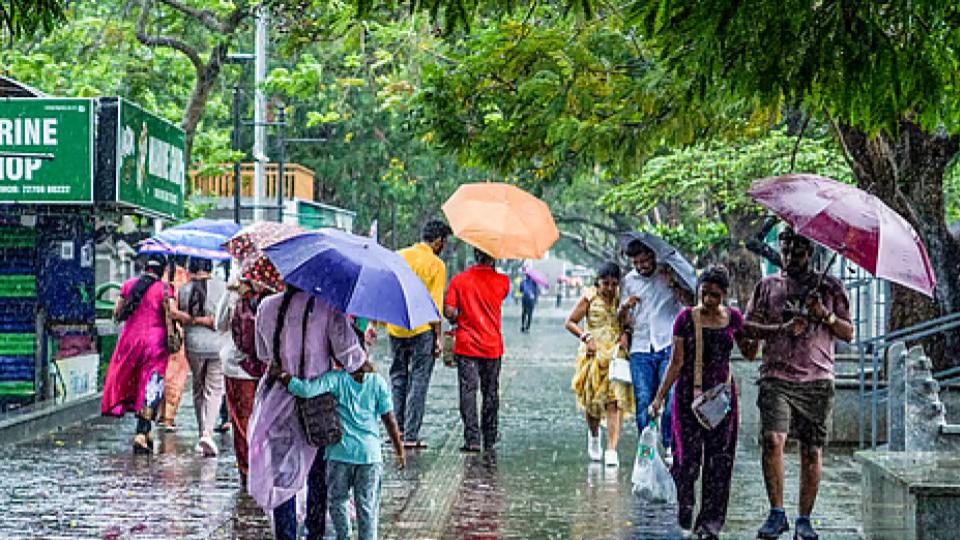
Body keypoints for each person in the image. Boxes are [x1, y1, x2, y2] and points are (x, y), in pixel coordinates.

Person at [648, 266, 802, 539]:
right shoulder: (685, 319)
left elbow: (749, 350)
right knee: (686, 461)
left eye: (715, 296)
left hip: (722, 400)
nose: (708, 300)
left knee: (720, 464)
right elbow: (676, 362)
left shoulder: (733, 319)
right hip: (688, 399)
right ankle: (685, 508)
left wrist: (765, 329)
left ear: (725, 295)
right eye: (704, 293)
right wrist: (659, 398)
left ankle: (710, 523)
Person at [744, 229, 853, 540]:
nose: (791, 257)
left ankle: (804, 518)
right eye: (787, 250)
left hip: (817, 379)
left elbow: (848, 332)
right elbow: (748, 326)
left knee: (811, 451)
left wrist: (825, 316)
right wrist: (782, 327)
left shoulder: (831, 287)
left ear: (811, 253)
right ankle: (776, 513)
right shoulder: (768, 286)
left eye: (798, 252)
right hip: (776, 376)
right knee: (773, 440)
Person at [248, 284, 366, 540]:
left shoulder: (266, 307)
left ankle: (286, 535)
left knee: (282, 477)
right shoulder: (327, 309)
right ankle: (315, 534)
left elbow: (263, 354)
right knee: (318, 478)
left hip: (276, 405)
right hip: (317, 406)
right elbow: (352, 359)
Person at [270, 357, 405, 540]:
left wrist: (282, 375)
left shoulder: (336, 379)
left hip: (340, 454)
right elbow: (389, 419)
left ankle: (344, 536)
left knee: (338, 501)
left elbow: (305, 390)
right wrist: (399, 450)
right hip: (370, 456)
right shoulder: (377, 381)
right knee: (367, 506)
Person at [102, 255, 184, 453]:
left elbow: (117, 313)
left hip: (129, 342)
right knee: (152, 383)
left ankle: (145, 433)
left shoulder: (129, 285)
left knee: (132, 380)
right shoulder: (165, 289)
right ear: (163, 270)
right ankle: (142, 430)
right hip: (155, 343)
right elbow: (172, 315)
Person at [619, 239, 692, 461]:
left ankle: (669, 443)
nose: (641, 265)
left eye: (645, 260)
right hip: (640, 347)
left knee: (671, 398)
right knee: (643, 399)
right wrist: (625, 307)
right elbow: (621, 320)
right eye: (636, 262)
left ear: (654, 257)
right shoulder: (629, 281)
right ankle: (646, 449)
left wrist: (674, 285)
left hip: (667, 344)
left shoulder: (667, 275)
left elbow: (690, 303)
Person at [384, 219, 450, 449]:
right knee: (419, 380)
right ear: (439, 241)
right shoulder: (436, 265)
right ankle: (411, 435)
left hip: (396, 327)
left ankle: (397, 431)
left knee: (398, 378)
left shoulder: (398, 256)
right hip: (422, 329)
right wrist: (438, 338)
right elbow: (435, 304)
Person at [565, 262, 635, 467]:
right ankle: (594, 436)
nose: (610, 288)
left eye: (614, 284)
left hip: (615, 354)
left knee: (614, 401)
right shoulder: (589, 298)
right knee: (592, 402)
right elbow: (570, 322)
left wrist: (626, 334)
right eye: (606, 283)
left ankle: (612, 449)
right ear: (598, 283)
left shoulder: (621, 300)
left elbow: (628, 323)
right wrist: (586, 337)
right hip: (593, 355)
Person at [444, 248, 511, 452]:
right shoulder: (503, 282)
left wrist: (460, 316)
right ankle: (489, 435)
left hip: (467, 346)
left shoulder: (459, 280)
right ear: (494, 256)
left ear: (475, 254)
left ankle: (472, 438)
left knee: (468, 391)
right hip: (492, 346)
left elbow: (449, 312)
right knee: (490, 392)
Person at [215, 275, 271, 488]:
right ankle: (265, 469)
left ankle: (248, 473)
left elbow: (219, 324)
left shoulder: (234, 293)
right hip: (268, 367)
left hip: (238, 367)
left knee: (242, 423)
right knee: (267, 420)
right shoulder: (276, 294)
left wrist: (230, 293)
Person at [178, 258, 228, 457]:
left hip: (193, 345)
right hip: (217, 345)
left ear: (191, 268)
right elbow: (224, 318)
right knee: (214, 390)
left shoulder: (184, 290)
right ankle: (207, 432)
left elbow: (183, 318)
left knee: (198, 387)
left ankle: (202, 431)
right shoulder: (223, 288)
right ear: (210, 268)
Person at [159, 258, 191, 431]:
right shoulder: (186, 279)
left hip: (159, 332)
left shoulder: (162, 279)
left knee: (162, 373)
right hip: (178, 334)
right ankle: (168, 417)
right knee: (176, 377)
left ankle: (159, 412)